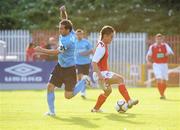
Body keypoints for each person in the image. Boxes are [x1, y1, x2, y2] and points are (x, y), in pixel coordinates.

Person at [34, 6, 88, 116]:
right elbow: (65, 20)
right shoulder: (71, 31)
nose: (60, 30)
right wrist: (63, 11)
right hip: (60, 66)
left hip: (69, 69)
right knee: (50, 87)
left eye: (61, 29)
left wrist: (41, 50)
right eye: (59, 28)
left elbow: (55, 52)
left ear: (67, 30)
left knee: (68, 96)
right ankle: (52, 112)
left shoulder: (68, 41)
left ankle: (83, 82)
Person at [91, 26, 138, 112]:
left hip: (101, 73)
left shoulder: (102, 44)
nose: (112, 39)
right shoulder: (101, 46)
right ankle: (129, 101)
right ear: (105, 36)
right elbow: (94, 62)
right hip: (101, 73)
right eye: (111, 36)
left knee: (108, 91)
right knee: (120, 79)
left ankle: (95, 109)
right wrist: (100, 75)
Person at [146, 33, 174, 99]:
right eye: (157, 38)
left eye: (160, 39)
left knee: (164, 81)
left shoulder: (165, 45)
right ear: (155, 39)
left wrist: (168, 53)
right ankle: (161, 94)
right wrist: (148, 62)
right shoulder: (152, 47)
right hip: (156, 65)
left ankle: (163, 93)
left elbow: (171, 53)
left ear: (162, 39)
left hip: (164, 65)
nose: (159, 40)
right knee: (159, 79)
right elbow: (148, 55)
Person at [75, 29, 93, 99]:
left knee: (84, 77)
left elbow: (91, 50)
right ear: (76, 35)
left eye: (80, 34)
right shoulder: (74, 42)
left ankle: (83, 91)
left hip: (86, 62)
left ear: (82, 35)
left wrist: (84, 53)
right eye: (77, 34)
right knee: (80, 77)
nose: (79, 36)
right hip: (77, 62)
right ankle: (82, 91)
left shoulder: (86, 42)